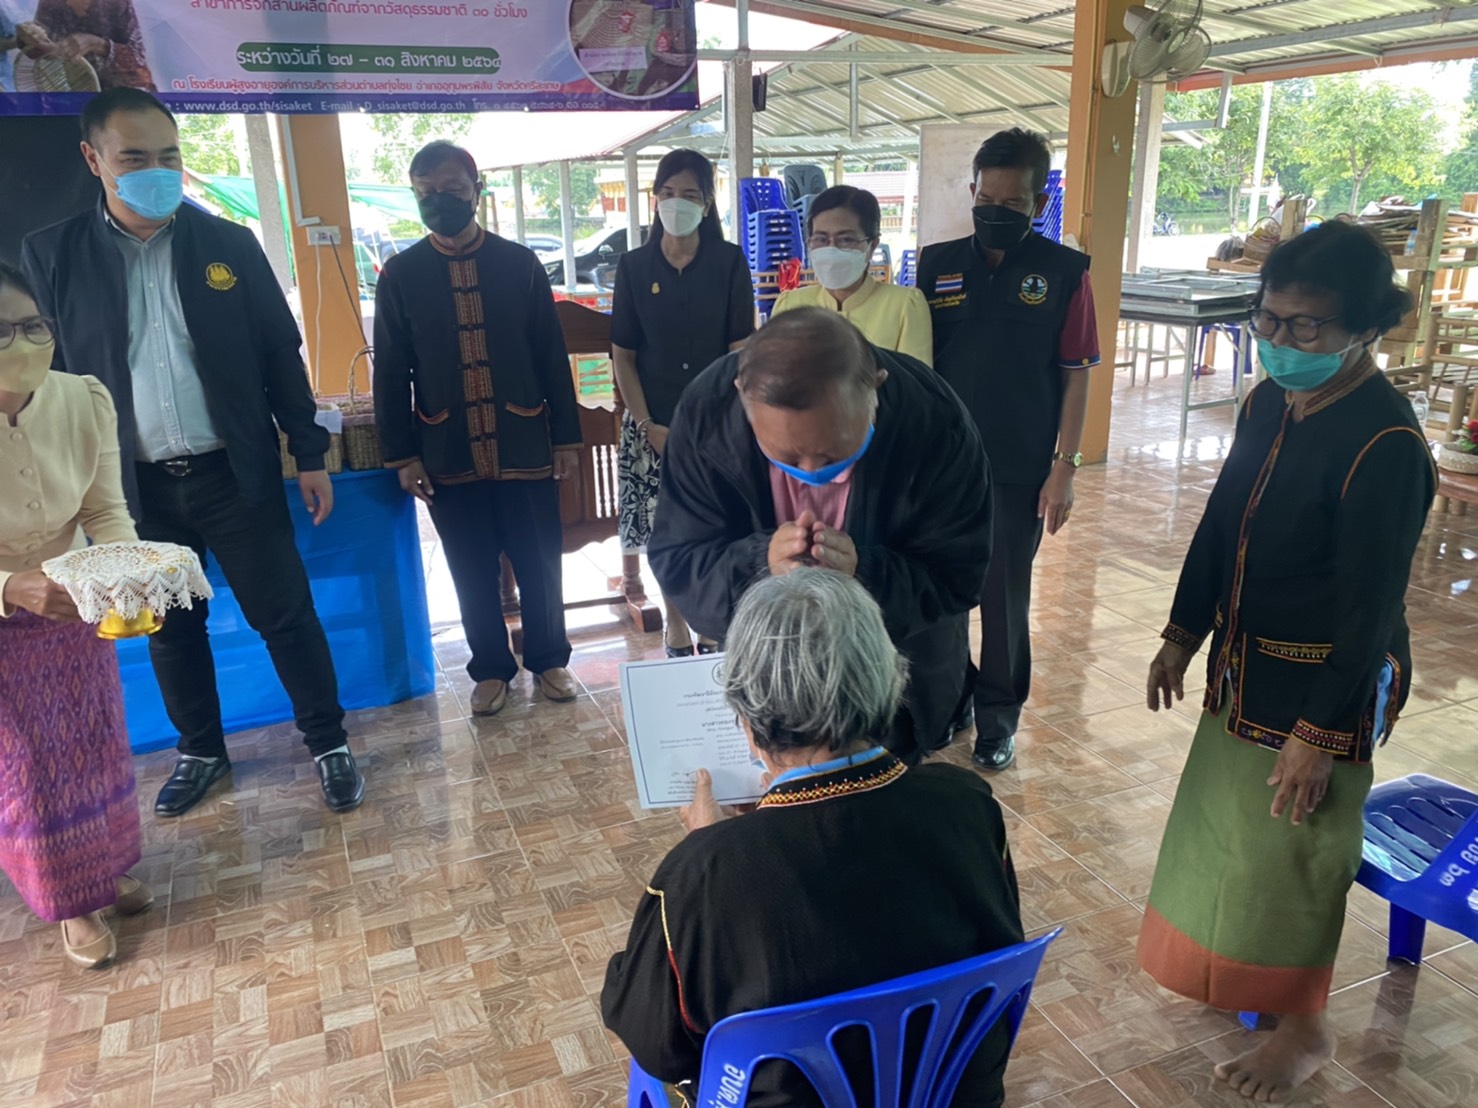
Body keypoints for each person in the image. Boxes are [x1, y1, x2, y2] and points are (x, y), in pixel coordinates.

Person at [1139, 221, 1436, 1102]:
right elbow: (1222, 520)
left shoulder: (1385, 444)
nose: (1280, 341)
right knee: (1237, 836)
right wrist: (1182, 633)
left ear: (1364, 328)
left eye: (1306, 326)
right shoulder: (1268, 403)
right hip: (1249, 662)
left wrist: (1317, 731)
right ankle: (1248, 979)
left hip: (1328, 678)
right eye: (1268, 319)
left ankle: (1304, 1029)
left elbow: (1369, 609)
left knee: (1297, 851)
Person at [22, 87, 362, 818]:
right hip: (131, 491)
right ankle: (201, 750)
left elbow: (279, 354)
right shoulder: (51, 255)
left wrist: (308, 454)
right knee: (173, 630)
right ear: (93, 160)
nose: (156, 171)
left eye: (169, 155)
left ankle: (329, 743)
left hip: (232, 475)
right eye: (134, 158)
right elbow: (46, 382)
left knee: (286, 617)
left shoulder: (228, 245)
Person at [602, 568, 1024, 1107]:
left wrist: (711, 846)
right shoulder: (968, 803)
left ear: (747, 723)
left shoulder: (700, 874)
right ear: (889, 683)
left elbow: (656, 1043)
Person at [648, 307, 991, 764]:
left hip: (886, 685)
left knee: (881, 794)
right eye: (787, 456)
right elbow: (681, 561)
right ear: (743, 398)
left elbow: (957, 573)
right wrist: (761, 565)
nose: (812, 473)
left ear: (875, 391)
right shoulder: (707, 415)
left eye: (832, 454)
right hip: (769, 690)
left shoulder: (934, 420)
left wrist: (862, 573)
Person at [374, 140, 583, 718]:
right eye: (426, 193)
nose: (439, 201)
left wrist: (566, 437)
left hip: (524, 440)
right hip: (447, 448)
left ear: (477, 192)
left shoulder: (519, 264)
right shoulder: (401, 275)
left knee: (540, 561)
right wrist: (403, 455)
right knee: (469, 568)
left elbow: (550, 354)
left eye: (453, 190)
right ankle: (490, 668)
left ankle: (549, 659)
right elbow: (390, 371)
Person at [918, 127, 1099, 772]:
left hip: (1018, 467)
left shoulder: (1066, 273)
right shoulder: (934, 265)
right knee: (939, 594)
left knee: (1002, 599)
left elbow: (1076, 375)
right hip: (940, 468)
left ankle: (998, 716)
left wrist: (1064, 467)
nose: (996, 211)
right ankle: (953, 698)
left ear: (1038, 201)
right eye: (985, 199)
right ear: (972, 190)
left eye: (1013, 203)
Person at [0, 261, 153, 969]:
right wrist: (11, 587)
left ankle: (104, 868)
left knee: (93, 742)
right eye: (3, 331)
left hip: (73, 604)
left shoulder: (82, 398)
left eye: (33, 325)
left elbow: (105, 509)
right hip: (7, 615)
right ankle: (70, 902)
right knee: (30, 763)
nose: (24, 342)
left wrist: (125, 573)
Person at [610, 148, 754, 657]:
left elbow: (740, 351)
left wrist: (714, 421)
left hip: (718, 425)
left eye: (690, 194)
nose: (678, 203)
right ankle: (674, 621)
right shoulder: (633, 266)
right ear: (655, 200)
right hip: (650, 425)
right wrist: (647, 422)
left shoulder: (729, 262)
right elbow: (624, 356)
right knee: (662, 527)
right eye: (668, 193)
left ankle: (710, 620)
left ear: (708, 204)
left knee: (717, 524)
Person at [772, 185, 932, 365]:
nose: (831, 249)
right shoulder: (790, 305)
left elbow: (917, 380)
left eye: (845, 239)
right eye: (821, 239)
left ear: (872, 245)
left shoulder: (903, 306)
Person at [26, 0, 154, 90]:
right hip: (78, 89)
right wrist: (30, 40)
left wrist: (97, 44)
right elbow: (38, 50)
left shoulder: (117, 3)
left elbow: (138, 58)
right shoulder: (50, 3)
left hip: (127, 97)